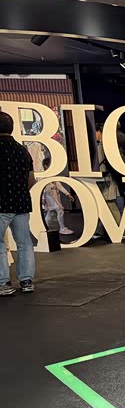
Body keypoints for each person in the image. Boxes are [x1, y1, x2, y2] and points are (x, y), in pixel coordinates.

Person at [0, 111, 37, 295]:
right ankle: (26, 281)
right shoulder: (23, 151)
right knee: (24, 243)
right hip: (21, 204)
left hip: (1, 205)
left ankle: (3, 283)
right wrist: (21, 193)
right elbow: (31, 179)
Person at [40, 157, 74, 235]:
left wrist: (67, 194)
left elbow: (59, 186)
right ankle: (62, 228)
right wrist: (43, 198)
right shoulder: (44, 177)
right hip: (50, 197)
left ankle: (45, 228)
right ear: (46, 166)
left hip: (54, 196)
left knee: (51, 212)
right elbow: (42, 188)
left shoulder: (53, 176)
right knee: (59, 211)